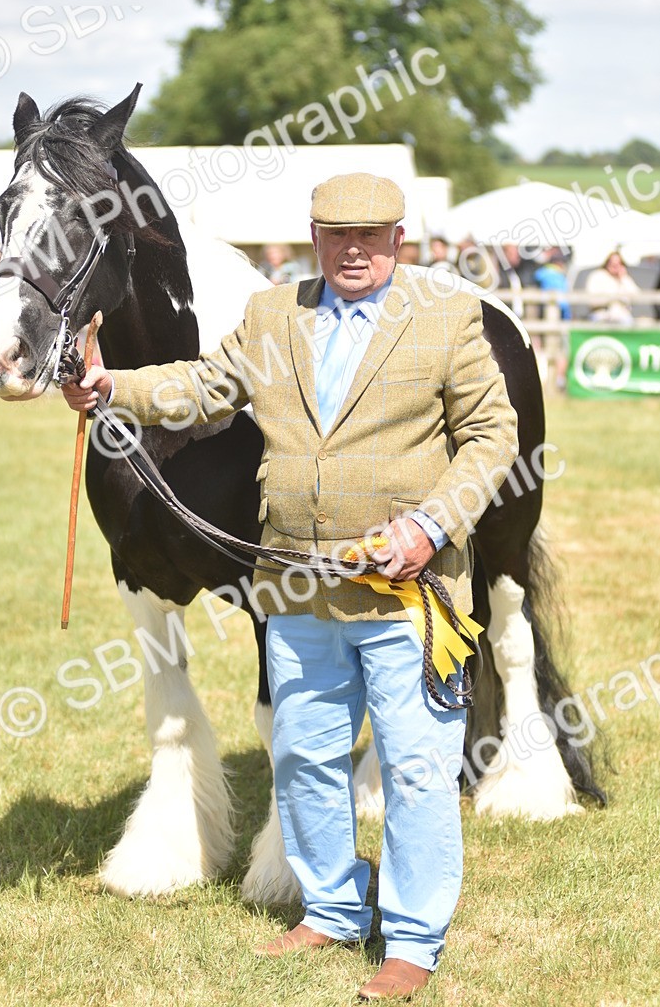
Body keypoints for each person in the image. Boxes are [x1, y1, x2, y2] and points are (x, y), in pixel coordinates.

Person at [62, 174, 518, 1001]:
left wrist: (430, 526)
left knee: (415, 769)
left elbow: (491, 435)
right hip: (296, 591)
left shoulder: (447, 318)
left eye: (370, 235)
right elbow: (204, 388)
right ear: (313, 236)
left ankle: (412, 938)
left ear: (397, 241)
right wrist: (110, 389)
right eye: (336, 234)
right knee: (303, 757)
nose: (353, 249)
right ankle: (332, 910)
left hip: (406, 593)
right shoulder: (273, 316)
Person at [585, 251, 640, 325]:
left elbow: (638, 297)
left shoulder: (625, 278)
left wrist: (623, 278)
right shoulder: (597, 276)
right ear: (607, 263)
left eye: (618, 263)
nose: (615, 266)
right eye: (612, 263)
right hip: (601, 315)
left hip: (622, 316)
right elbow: (592, 300)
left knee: (629, 322)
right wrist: (611, 298)